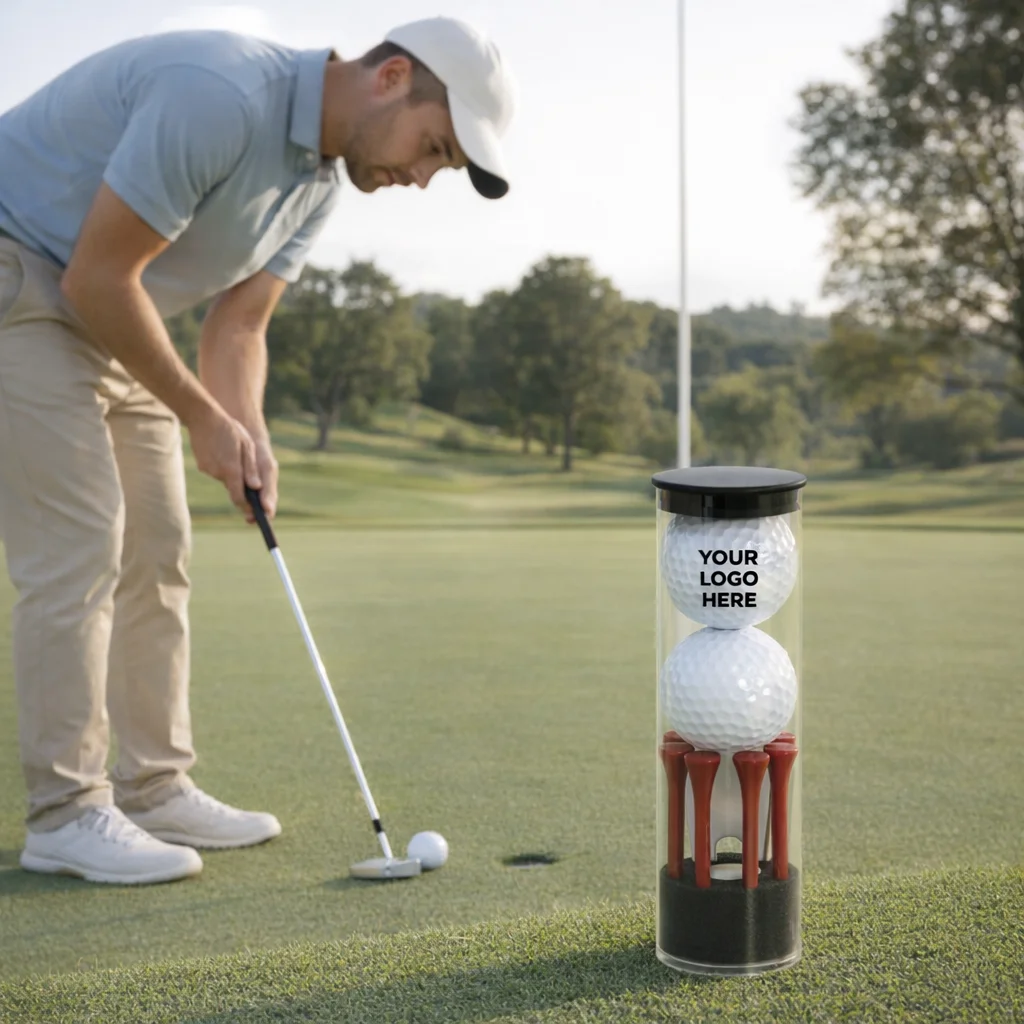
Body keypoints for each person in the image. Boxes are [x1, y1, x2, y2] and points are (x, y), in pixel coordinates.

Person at [0, 17, 516, 885]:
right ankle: (65, 813)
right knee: (84, 542)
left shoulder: (318, 186)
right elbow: (95, 274)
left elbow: (237, 326)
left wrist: (247, 436)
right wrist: (203, 417)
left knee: (160, 545)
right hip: (26, 279)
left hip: (110, 308)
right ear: (391, 78)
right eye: (434, 148)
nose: (423, 180)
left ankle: (153, 785)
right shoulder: (222, 96)